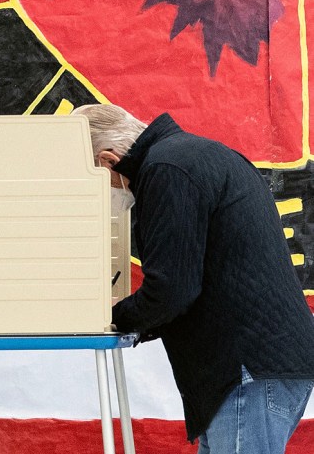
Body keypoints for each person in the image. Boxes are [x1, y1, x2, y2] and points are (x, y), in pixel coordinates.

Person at [72, 103, 314, 454]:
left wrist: (111, 315)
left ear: (108, 161)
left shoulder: (166, 169)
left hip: (244, 371)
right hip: (258, 366)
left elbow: (172, 289)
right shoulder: (188, 155)